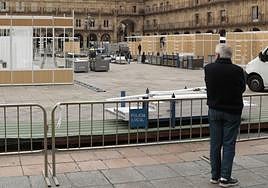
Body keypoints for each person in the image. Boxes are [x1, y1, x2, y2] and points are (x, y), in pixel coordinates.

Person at [204, 44, 246, 187]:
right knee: (229, 145)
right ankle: (225, 178)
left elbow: (209, 86)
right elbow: (242, 88)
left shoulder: (208, 69)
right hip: (232, 112)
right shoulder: (238, 70)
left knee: (215, 144)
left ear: (217, 55)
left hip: (215, 110)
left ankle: (215, 176)